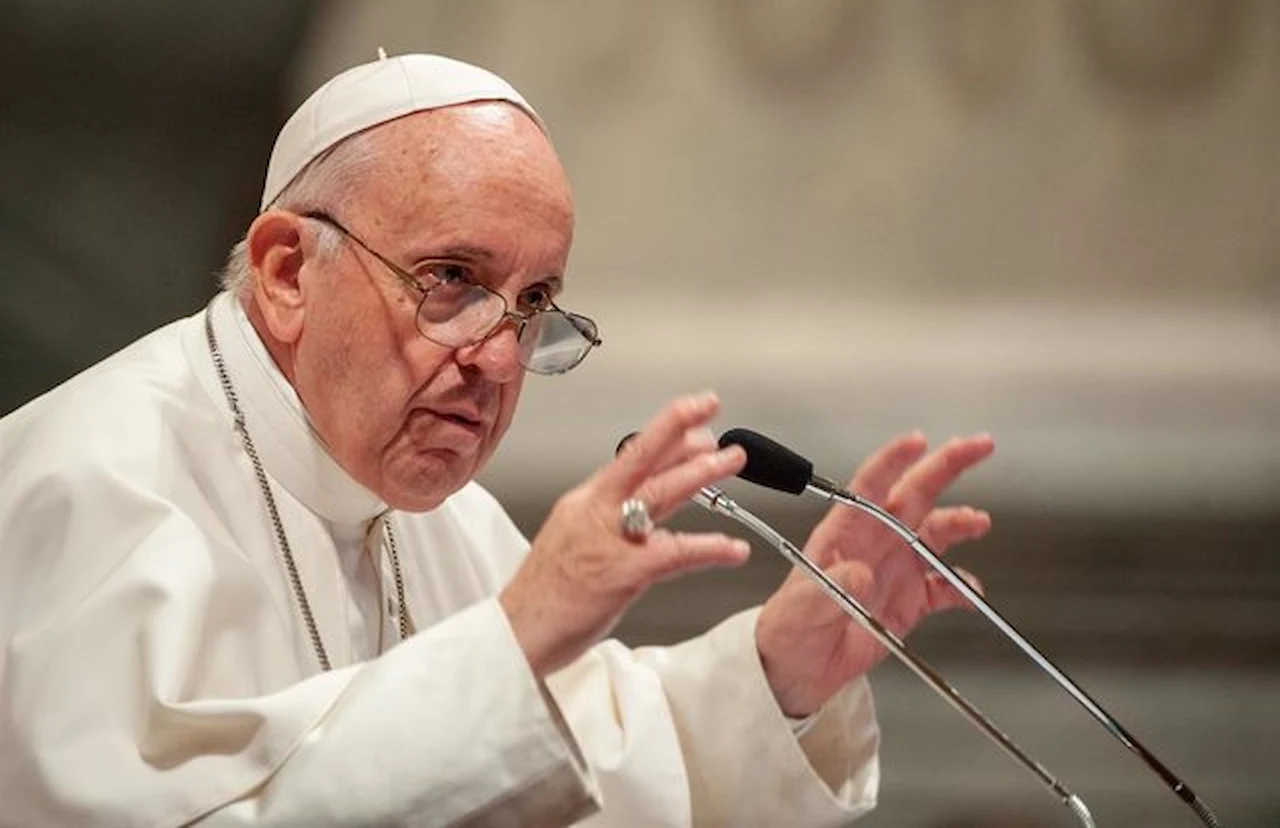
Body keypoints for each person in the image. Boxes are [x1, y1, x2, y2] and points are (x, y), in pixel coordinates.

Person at [0, 53, 994, 827]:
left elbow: (590, 771)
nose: (498, 357)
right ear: (288, 271)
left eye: (532, 303)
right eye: (450, 280)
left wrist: (781, 673)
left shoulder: (442, 521)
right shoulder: (90, 489)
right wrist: (519, 631)